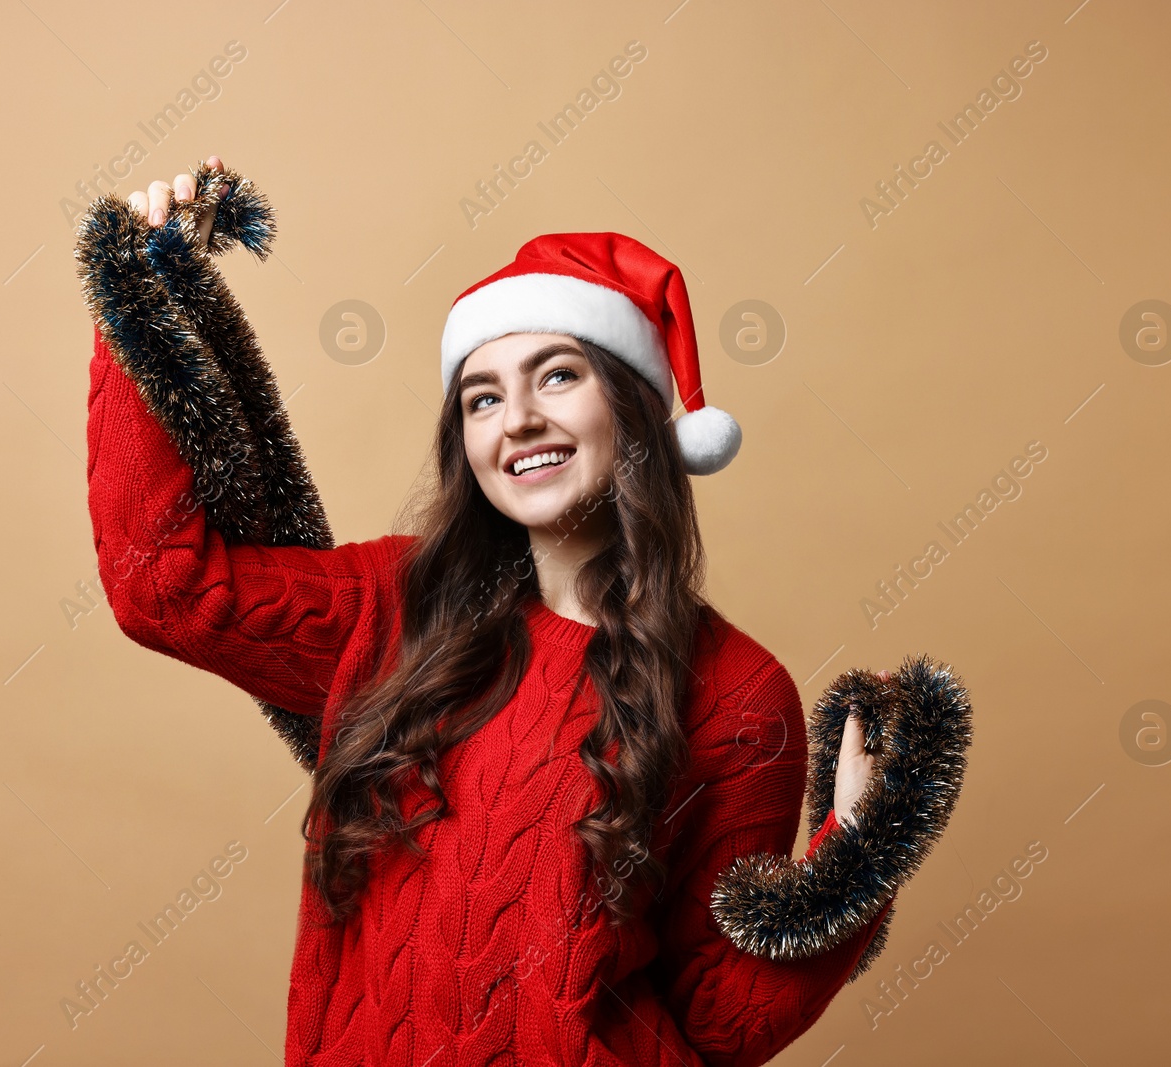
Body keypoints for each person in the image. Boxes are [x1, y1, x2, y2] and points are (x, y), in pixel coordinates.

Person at [76, 155, 970, 1066]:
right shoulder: (394, 605)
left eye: (557, 377)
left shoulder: (738, 692)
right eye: (482, 396)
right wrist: (136, 313)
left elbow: (719, 1022)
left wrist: (861, 853)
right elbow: (163, 586)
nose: (516, 421)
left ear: (636, 410)